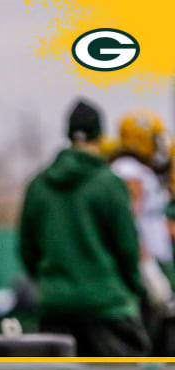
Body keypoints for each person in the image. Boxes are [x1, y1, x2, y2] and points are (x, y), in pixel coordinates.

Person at [19, 100, 149, 356]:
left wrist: (51, 284)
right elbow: (127, 247)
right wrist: (134, 289)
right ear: (100, 136)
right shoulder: (110, 184)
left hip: (55, 308)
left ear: (68, 134)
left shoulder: (39, 185)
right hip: (108, 307)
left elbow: (27, 249)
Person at [111, 109, 174, 351]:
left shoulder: (139, 171)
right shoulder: (130, 171)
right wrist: (147, 267)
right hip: (144, 270)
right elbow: (131, 220)